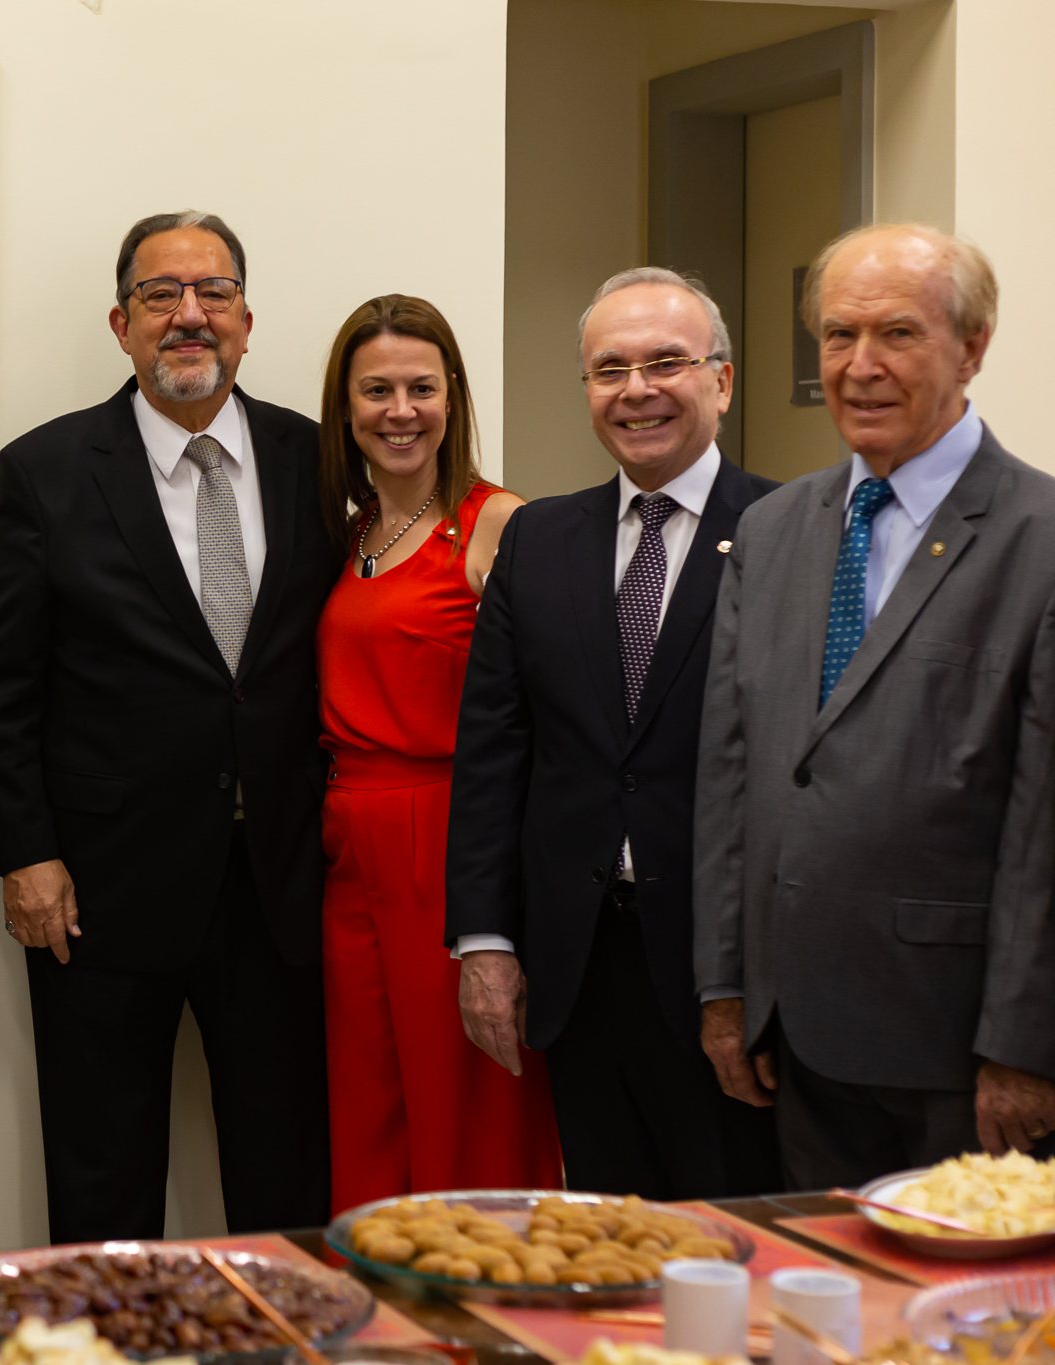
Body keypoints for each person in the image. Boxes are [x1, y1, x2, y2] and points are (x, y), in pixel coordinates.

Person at [0, 211, 333, 1242]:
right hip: (100, 885)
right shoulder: (47, 469)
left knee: (286, 1167)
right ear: (120, 321)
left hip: (281, 881)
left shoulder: (315, 458)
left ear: (247, 321)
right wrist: (26, 854)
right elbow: (0, 684)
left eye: (211, 293)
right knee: (101, 1172)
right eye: (162, 295)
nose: (188, 316)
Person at [697, 224, 1055, 1186]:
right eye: (837, 336)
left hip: (962, 1049)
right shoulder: (771, 530)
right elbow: (732, 777)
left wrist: (1025, 1044)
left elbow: (1046, 824)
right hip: (798, 1038)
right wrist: (727, 990)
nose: (860, 367)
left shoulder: (1042, 538)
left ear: (972, 346)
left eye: (896, 334)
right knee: (824, 1316)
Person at [446, 267, 783, 1199]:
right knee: (605, 1237)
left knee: (733, 1244)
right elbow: (493, 753)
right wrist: (483, 940)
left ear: (721, 380)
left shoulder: (793, 531)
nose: (636, 390)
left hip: (730, 973)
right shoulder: (538, 539)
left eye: (665, 362)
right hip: (579, 964)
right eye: (609, 369)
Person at [313, 295, 555, 1207]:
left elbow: (544, 719)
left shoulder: (498, 525)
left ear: (454, 397)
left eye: (422, 386)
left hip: (447, 840)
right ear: (346, 407)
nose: (400, 410)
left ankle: (479, 1328)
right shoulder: (348, 535)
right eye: (376, 389)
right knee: (368, 1101)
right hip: (348, 850)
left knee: (466, 1099)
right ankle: (381, 1323)